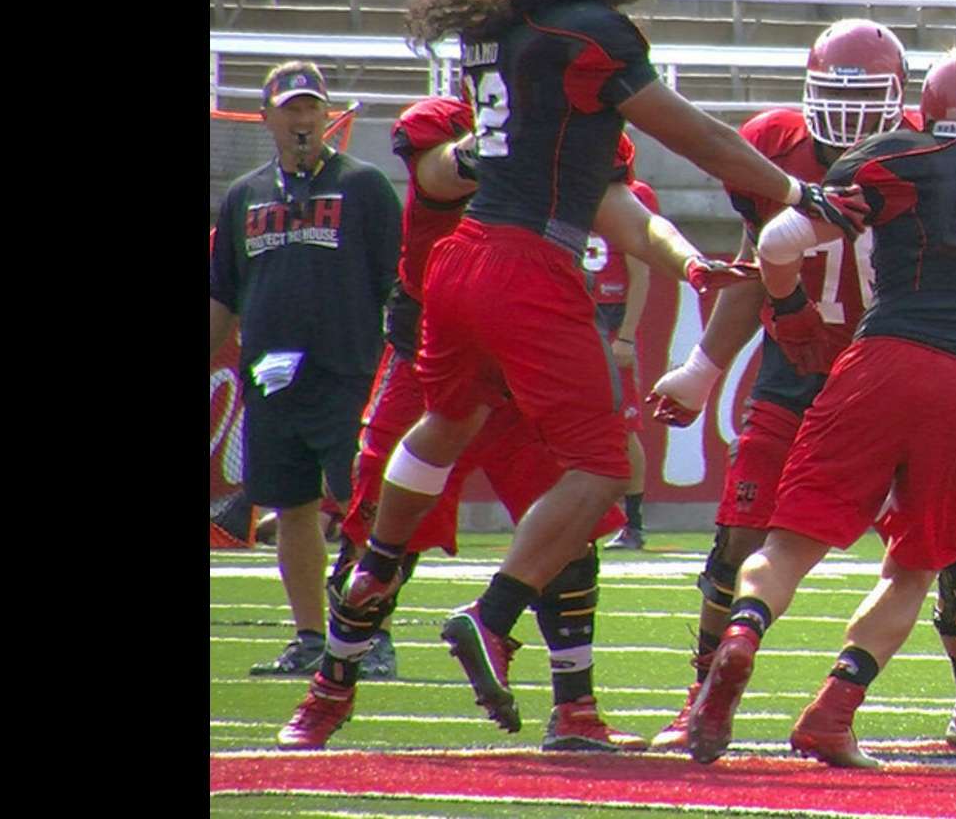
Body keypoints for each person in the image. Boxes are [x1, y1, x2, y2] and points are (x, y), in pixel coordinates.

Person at [325, 0, 869, 742]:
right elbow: (693, 134)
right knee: (606, 473)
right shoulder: (590, 38)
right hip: (530, 261)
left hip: (457, 266)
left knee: (444, 422)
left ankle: (380, 564)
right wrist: (796, 190)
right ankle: (493, 621)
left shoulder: (496, 26)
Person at [277, 94, 757, 750]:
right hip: (432, 348)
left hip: (525, 353)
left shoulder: (582, 135)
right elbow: (437, 174)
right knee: (376, 543)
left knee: (568, 527)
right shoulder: (451, 124)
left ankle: (576, 708)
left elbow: (628, 217)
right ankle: (328, 692)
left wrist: (689, 261)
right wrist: (510, 133)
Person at [683, 47, 956, 767]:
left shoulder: (894, 156)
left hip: (875, 359)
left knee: (790, 542)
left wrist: (793, 308)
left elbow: (778, 240)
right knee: (913, 567)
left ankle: (742, 634)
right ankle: (833, 711)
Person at [645, 18, 919, 749]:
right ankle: (705, 698)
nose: (853, 117)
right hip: (854, 366)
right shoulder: (774, 149)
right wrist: (703, 368)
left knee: (948, 542)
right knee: (747, 534)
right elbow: (748, 267)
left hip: (872, 362)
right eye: (837, 96)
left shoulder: (928, 151)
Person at [210, 60, 403, 678]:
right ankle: (310, 637)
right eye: (289, 108)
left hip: (346, 369)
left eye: (310, 107)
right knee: (290, 506)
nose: (301, 118)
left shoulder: (365, 186)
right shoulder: (244, 196)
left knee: (358, 500)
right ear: (265, 117)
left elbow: (393, 282)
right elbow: (225, 294)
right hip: (268, 373)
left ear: (328, 115)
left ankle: (371, 634)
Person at [591, 157, 660, 551]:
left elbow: (641, 271)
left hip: (610, 317)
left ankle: (633, 522)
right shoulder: (558, 191)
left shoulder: (634, 197)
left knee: (624, 424)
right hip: (571, 314)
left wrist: (628, 337)